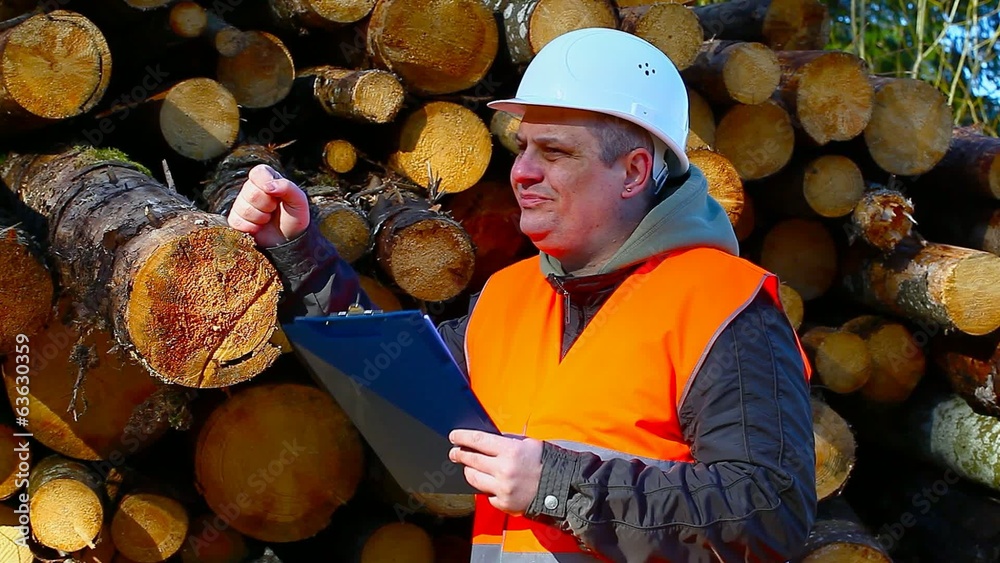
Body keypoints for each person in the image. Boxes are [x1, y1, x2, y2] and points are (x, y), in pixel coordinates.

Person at [228, 28, 817, 563]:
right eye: (523, 147)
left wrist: (558, 486)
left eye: (555, 152)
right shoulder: (506, 297)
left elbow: (767, 511)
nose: (522, 172)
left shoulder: (726, 307)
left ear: (635, 172)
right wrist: (297, 251)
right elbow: (396, 392)